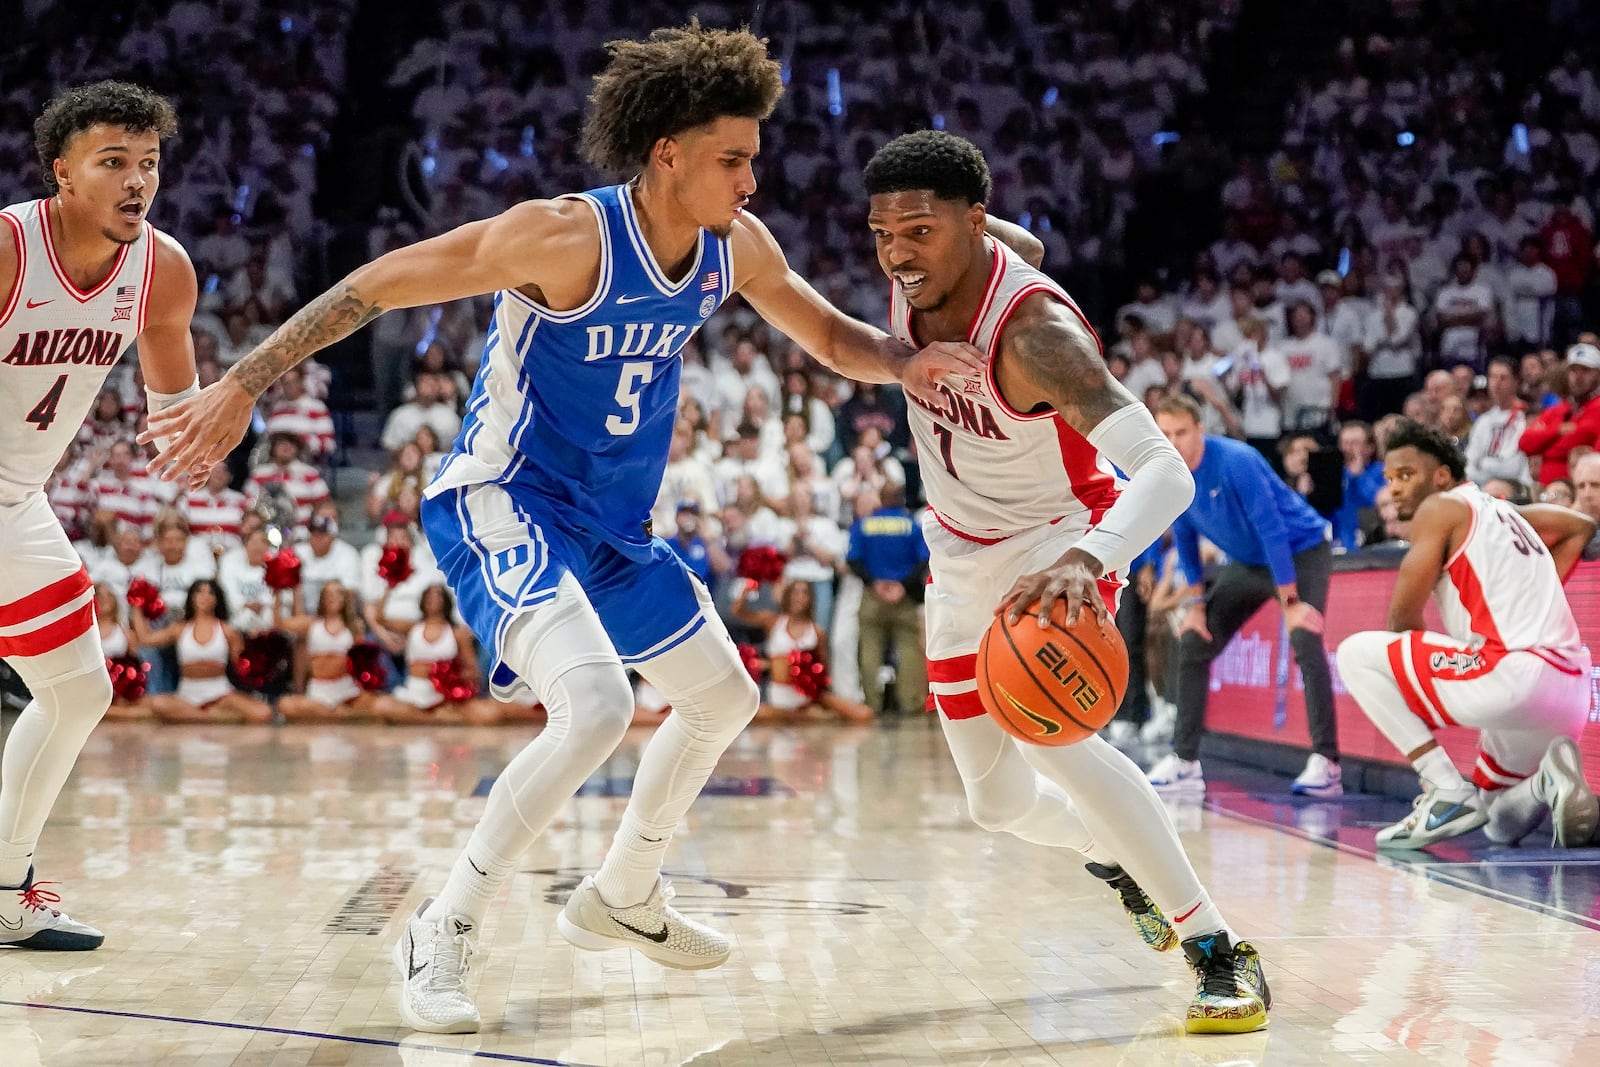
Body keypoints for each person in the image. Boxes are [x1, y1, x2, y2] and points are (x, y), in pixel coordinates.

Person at [143, 24, 988, 1035]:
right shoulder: (561, 236)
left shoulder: (735, 249)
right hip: (504, 497)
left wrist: (905, 363)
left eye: (754, 157)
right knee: (591, 707)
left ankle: (626, 889)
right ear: (667, 153)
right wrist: (243, 380)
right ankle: (442, 924)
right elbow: (376, 284)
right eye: (733, 158)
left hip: (611, 524)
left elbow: (831, 335)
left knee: (722, 695)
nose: (752, 180)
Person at [863, 131, 1269, 1033]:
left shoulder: (1039, 338)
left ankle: (1217, 949)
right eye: (882, 232)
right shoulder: (920, 272)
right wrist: (946, 233)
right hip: (959, 554)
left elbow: (1168, 474)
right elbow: (1024, 245)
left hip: (1057, 540)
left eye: (919, 230)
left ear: (972, 224)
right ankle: (1116, 855)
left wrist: (1089, 558)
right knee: (993, 800)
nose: (896, 253)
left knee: (1056, 742)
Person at [0, 82, 203, 950]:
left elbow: (176, 411)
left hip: (16, 498)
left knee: (80, 689)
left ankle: (7, 893)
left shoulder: (163, 269)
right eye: (113, 162)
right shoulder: (10, 246)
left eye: (148, 164)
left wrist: (222, 410)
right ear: (63, 175)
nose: (136, 181)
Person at [1335, 420, 1598, 849]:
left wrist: (1433, 677)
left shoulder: (1438, 509)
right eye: (1390, 479)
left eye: (1407, 475)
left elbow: (1401, 621)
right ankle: (1548, 780)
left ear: (1441, 476)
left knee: (1357, 654)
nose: (1396, 488)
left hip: (1512, 674)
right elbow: (1580, 527)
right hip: (1570, 692)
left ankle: (1444, 789)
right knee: (1497, 820)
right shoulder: (1501, 511)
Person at [1151, 395, 1342, 799]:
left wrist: (1290, 603)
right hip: (1248, 561)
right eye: (1164, 433)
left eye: (1181, 432)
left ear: (1200, 429)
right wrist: (1197, 607)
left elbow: (1271, 528)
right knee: (1194, 639)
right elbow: (1185, 539)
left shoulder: (1237, 460)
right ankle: (1185, 761)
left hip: (1301, 549)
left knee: (1306, 639)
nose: (1173, 441)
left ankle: (1327, 763)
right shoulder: (1168, 473)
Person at [131, 578, 272, 725]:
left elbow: (243, 668)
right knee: (156, 704)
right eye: (199, 592)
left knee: (263, 713)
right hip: (186, 694)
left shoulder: (228, 630)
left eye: (210, 593)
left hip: (220, 693)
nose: (204, 596)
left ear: (217, 599)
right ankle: (211, 717)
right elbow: (145, 638)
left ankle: (192, 716)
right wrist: (136, 606)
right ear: (192, 597)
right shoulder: (179, 629)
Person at [731, 577, 872, 723]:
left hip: (808, 698)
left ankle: (806, 715)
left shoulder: (817, 631)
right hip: (779, 697)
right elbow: (738, 612)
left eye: (804, 593)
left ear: (810, 599)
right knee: (751, 714)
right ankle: (803, 717)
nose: (798, 598)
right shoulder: (774, 622)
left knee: (863, 714)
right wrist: (746, 590)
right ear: (788, 596)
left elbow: (824, 669)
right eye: (795, 592)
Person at [274, 581, 376, 723]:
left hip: (347, 690)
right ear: (322, 599)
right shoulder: (312, 624)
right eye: (328, 594)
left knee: (379, 705)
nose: (332, 598)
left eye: (337, 593)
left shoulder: (354, 627)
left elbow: (363, 663)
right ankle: (338, 715)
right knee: (284, 704)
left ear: (344, 598)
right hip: (319, 690)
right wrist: (277, 594)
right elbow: (280, 624)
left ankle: (332, 715)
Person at [1518, 342, 1600, 486]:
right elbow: (1525, 442)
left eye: (1585, 370)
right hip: (1545, 489)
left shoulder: (1597, 408)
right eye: (1573, 371)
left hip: (1579, 489)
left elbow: (1575, 442)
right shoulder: (1558, 410)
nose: (1578, 377)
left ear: (1598, 374)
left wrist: (1544, 450)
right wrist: (1557, 430)